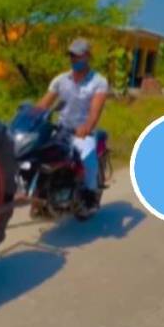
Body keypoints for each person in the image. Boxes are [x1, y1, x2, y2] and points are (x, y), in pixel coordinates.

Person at [36, 37, 109, 213]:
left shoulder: (98, 82)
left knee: (87, 156)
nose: (74, 59)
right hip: (60, 130)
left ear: (87, 56)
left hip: (82, 132)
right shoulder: (60, 80)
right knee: (35, 155)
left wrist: (87, 127)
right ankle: (41, 193)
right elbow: (43, 104)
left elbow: (95, 111)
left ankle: (90, 195)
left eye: (78, 56)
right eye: (71, 56)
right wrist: (31, 117)